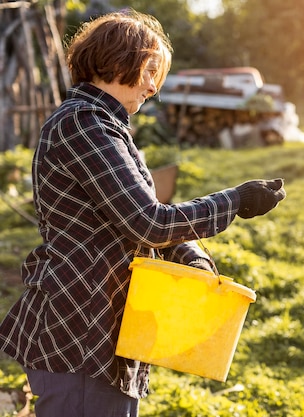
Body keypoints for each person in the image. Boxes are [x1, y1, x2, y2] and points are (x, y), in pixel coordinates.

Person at [0, 9, 286, 417]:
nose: (153, 86)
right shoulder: (82, 124)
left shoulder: (105, 126)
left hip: (105, 325)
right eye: (149, 71)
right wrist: (234, 201)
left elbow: (133, 219)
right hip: (81, 330)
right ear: (117, 60)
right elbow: (147, 221)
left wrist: (193, 258)